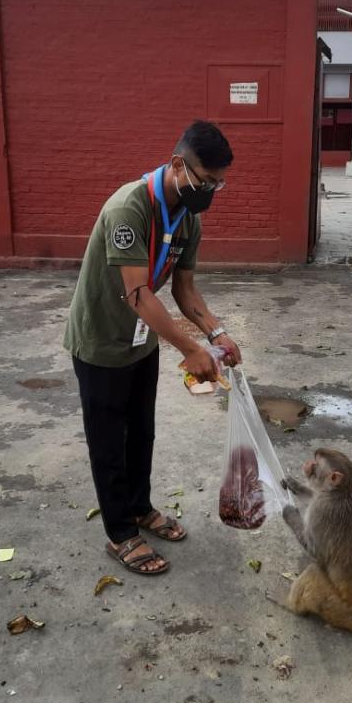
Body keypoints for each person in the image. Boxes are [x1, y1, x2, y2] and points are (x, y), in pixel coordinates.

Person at [63, 120, 243, 577]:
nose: (211, 191)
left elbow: (185, 292)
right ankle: (121, 533)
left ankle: (140, 508)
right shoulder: (131, 208)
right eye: (207, 180)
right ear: (179, 165)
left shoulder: (188, 218)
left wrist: (216, 334)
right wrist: (189, 348)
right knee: (109, 442)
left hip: (141, 339)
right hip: (101, 339)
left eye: (219, 184)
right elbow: (138, 294)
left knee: (141, 432)